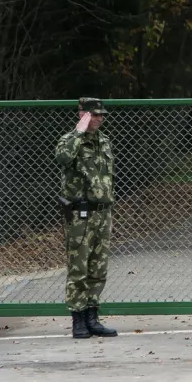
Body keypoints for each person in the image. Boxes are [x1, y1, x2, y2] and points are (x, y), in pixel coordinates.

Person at [54, 97, 118, 339]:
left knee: (98, 268)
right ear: (83, 115)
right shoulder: (70, 140)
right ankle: (78, 319)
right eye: (95, 114)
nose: (100, 118)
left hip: (102, 212)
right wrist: (78, 133)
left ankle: (93, 317)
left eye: (102, 114)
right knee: (78, 268)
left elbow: (108, 178)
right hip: (80, 214)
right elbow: (62, 158)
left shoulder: (104, 142)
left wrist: (109, 211)